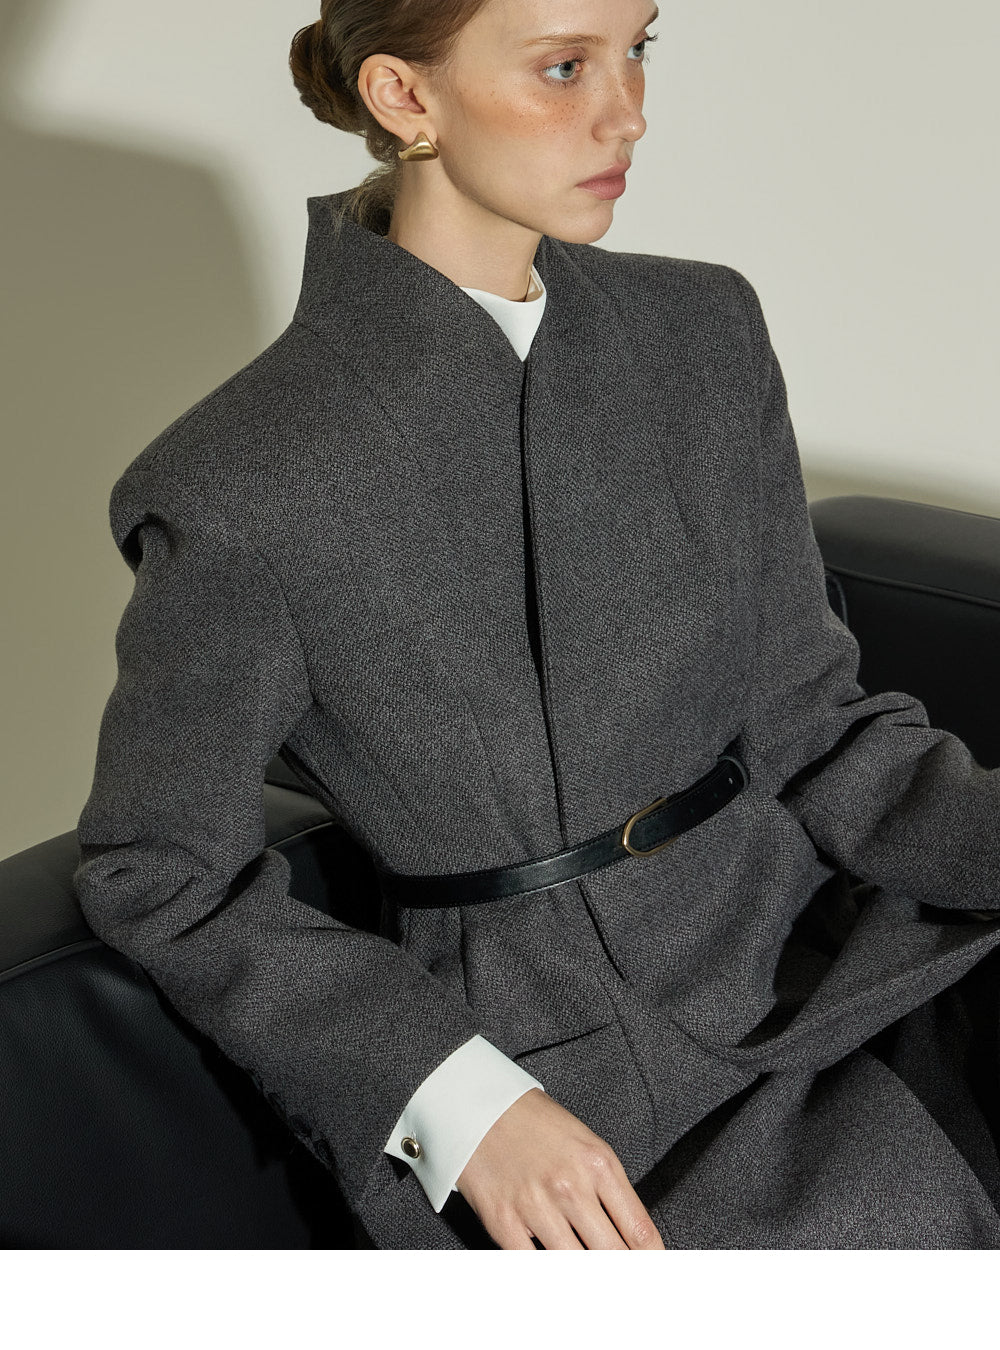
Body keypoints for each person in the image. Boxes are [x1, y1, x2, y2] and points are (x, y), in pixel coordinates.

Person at [73, 0, 1000, 1251]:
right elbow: (158, 870)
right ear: (405, 97)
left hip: (835, 942)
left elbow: (813, 722)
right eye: (565, 67)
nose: (628, 113)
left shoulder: (702, 331)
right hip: (571, 1066)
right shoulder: (240, 481)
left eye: (637, 50)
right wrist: (461, 1105)